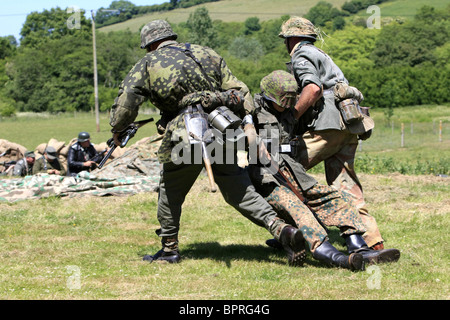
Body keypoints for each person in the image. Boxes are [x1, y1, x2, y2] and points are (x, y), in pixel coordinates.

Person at [109, 20, 305, 266]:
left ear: (150, 45)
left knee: (170, 192)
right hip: (224, 129)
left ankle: (169, 250)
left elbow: (127, 100)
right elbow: (240, 90)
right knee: (240, 191)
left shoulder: (148, 63)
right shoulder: (207, 53)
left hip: (186, 135)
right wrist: (247, 123)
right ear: (172, 36)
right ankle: (282, 231)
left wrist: (117, 128)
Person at [250, 70, 399, 268]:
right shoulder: (251, 113)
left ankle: (359, 248)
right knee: (301, 213)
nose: (288, 106)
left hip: (294, 171)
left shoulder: (288, 111)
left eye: (290, 100)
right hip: (268, 177)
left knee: (335, 198)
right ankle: (337, 258)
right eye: (283, 101)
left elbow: (314, 95)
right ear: (269, 96)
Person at [278, 16, 387, 250]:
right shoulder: (322, 55)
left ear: (292, 39)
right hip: (349, 124)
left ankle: (295, 234)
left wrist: (292, 116)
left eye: (286, 40)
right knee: (345, 184)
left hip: (326, 126)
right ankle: (370, 240)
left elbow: (313, 88)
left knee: (283, 172)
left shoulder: (302, 55)